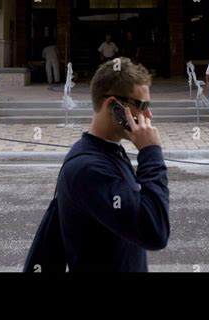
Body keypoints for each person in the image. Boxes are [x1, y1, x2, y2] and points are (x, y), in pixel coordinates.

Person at [56, 57, 169, 272]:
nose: (149, 115)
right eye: (142, 105)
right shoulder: (88, 168)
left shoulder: (109, 151)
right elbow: (155, 231)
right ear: (113, 106)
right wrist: (151, 152)